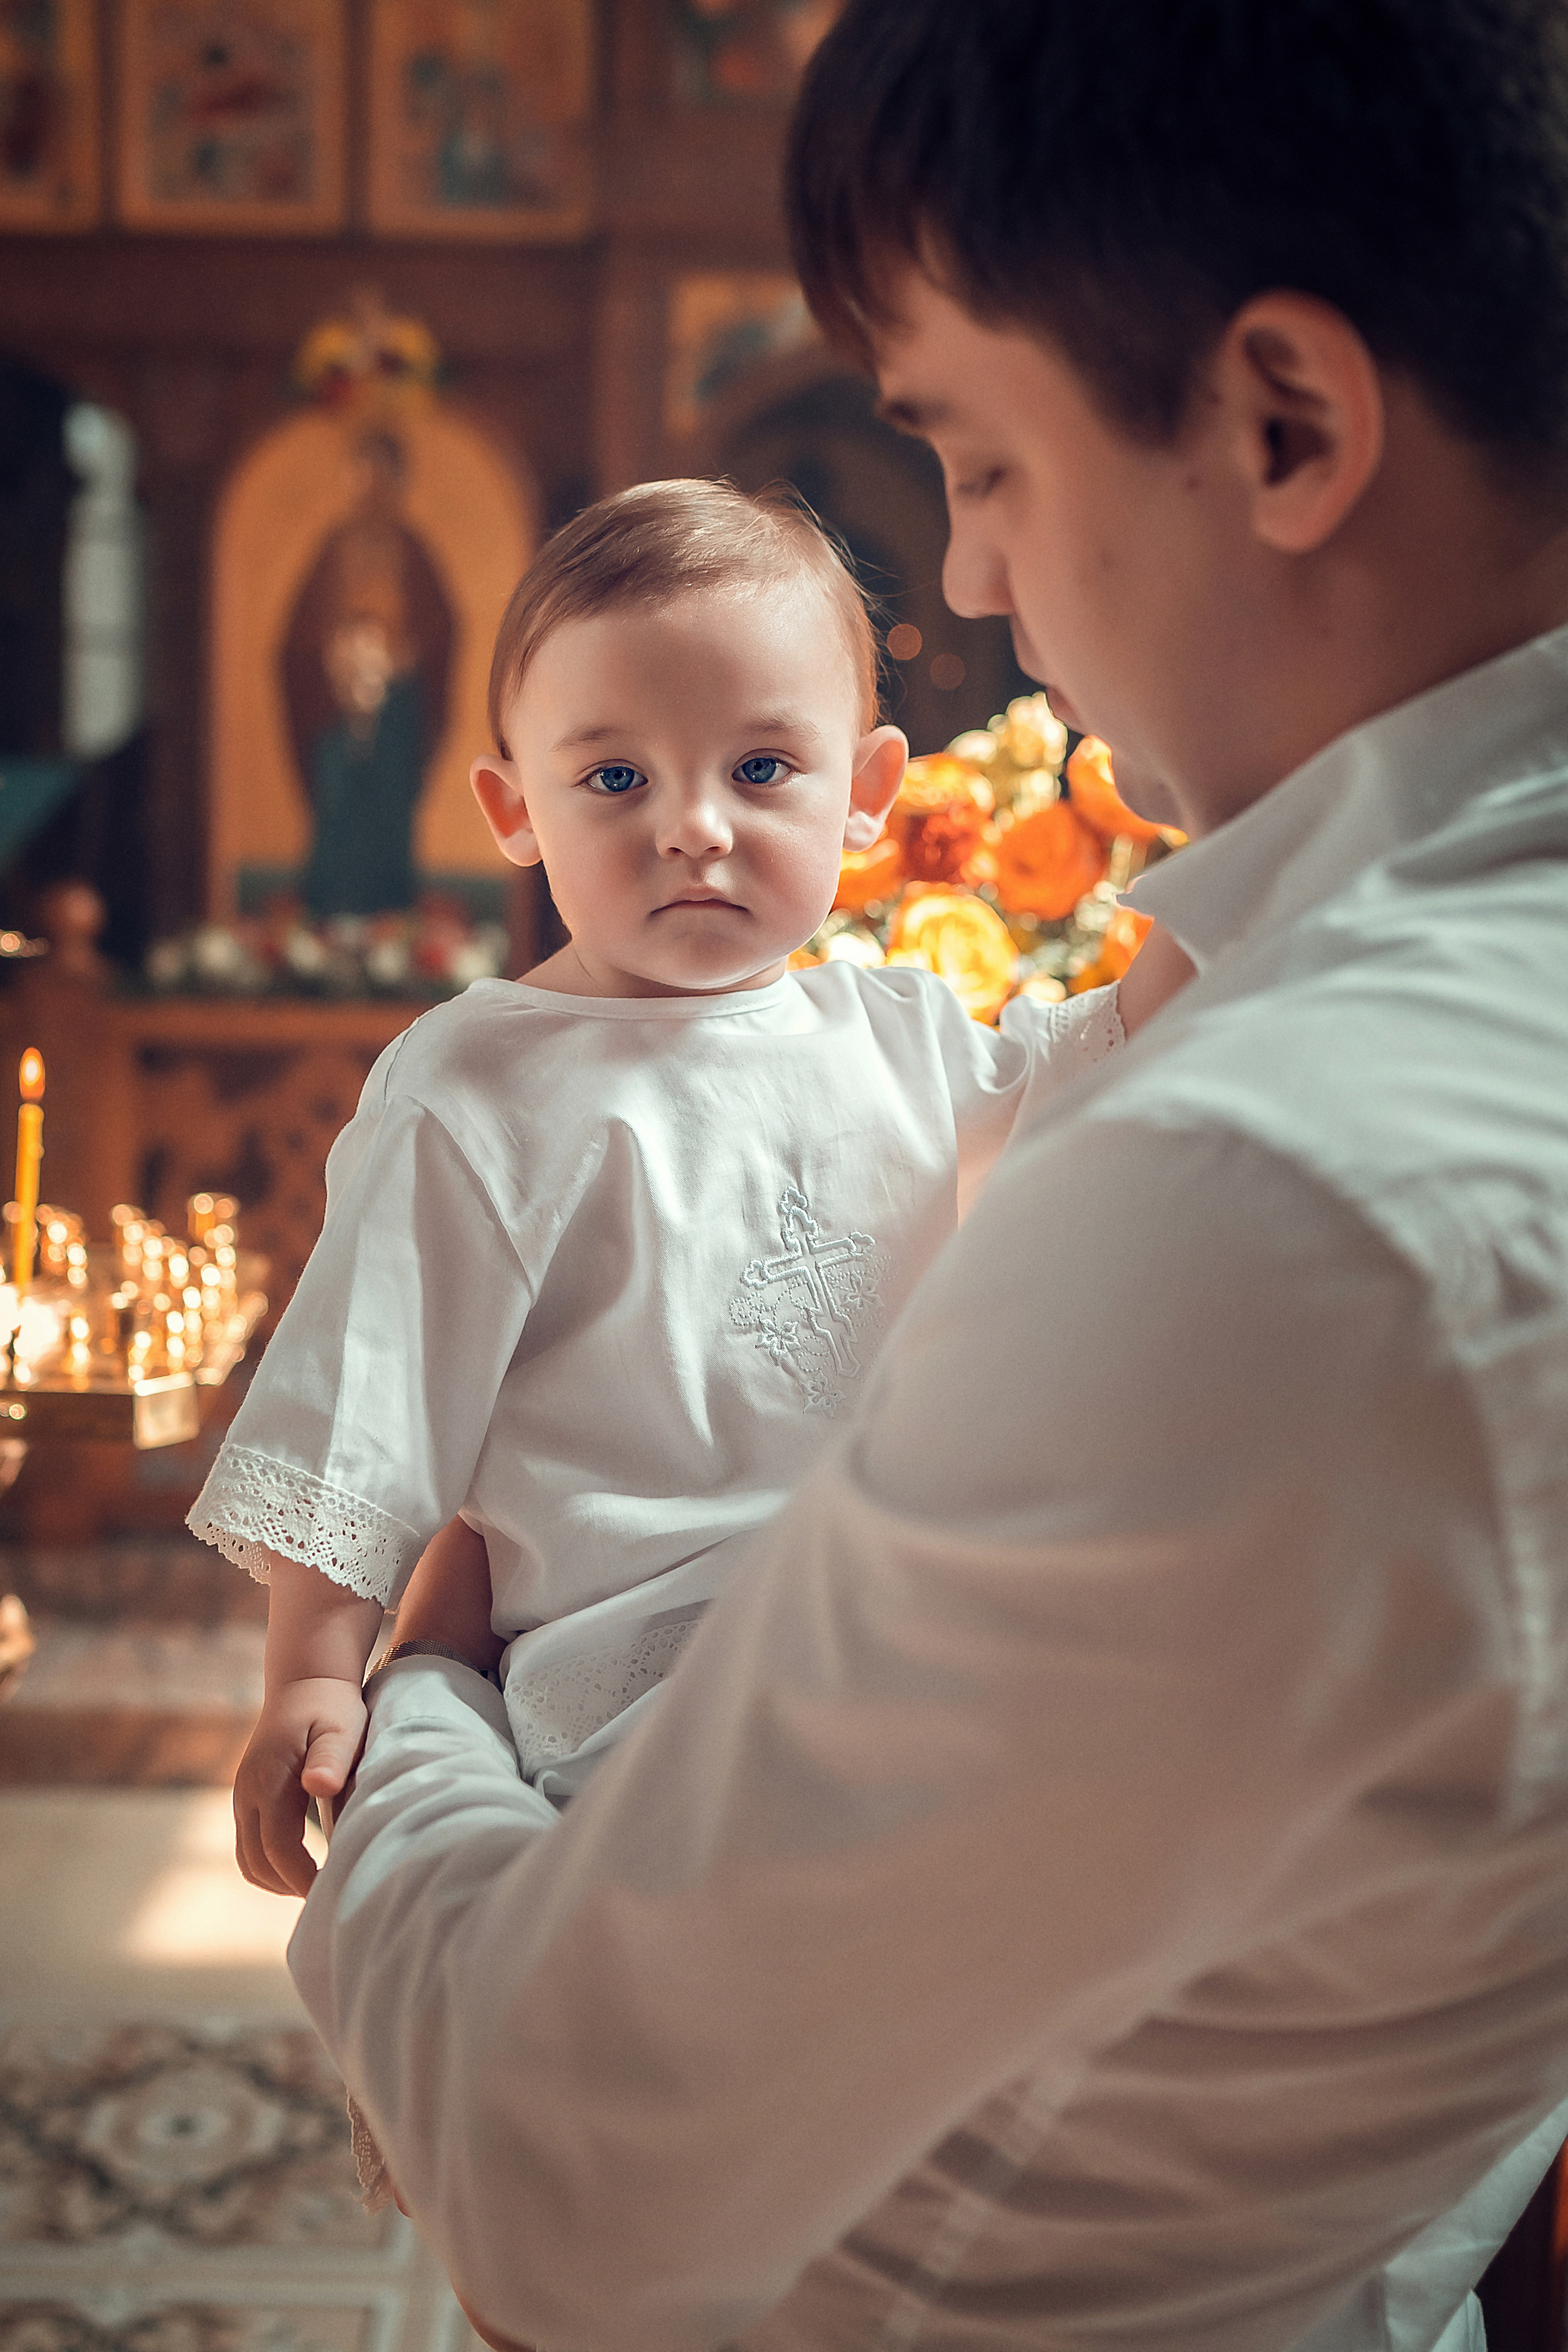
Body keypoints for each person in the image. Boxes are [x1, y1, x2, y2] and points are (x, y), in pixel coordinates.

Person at [274, 1, 1568, 2347]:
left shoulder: (1286, 1187)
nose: (974, 586)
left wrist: (437, 1685)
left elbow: (559, 2160)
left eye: (975, 461)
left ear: (1283, 423)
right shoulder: (1358, 1000)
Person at [189, 476, 1186, 1901]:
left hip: (905, 1608)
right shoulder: (478, 1084)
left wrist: (1258, 854)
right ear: (512, 807)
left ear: (865, 796)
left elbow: (1106, 1054)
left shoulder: (891, 1035)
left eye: (762, 770)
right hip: (635, 1670)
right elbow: (367, 1400)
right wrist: (309, 1676)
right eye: (614, 779)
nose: (693, 828)